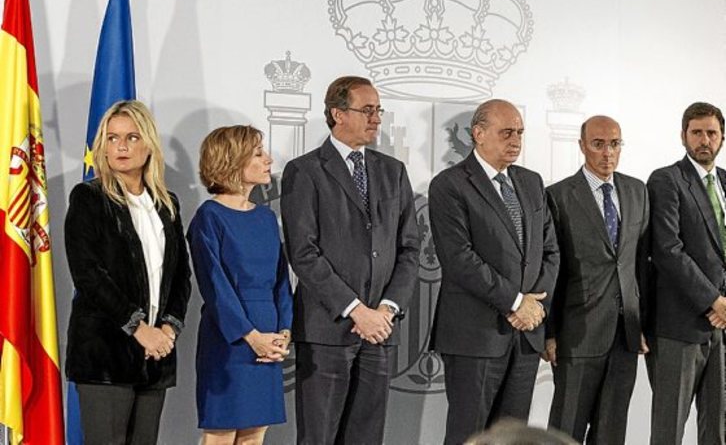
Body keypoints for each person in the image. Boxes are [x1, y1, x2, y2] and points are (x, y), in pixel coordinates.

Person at [280, 75, 420, 444]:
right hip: (327, 331)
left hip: (380, 331)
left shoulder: (393, 171)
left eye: (379, 110)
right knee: (319, 436)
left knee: (366, 437)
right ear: (337, 114)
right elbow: (303, 253)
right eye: (367, 110)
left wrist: (386, 310)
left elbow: (409, 248)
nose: (376, 119)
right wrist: (357, 310)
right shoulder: (305, 171)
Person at [428, 98, 560, 445]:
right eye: (506, 132)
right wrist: (516, 302)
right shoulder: (450, 185)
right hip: (475, 336)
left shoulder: (531, 182)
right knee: (470, 436)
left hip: (526, 336)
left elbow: (550, 251)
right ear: (479, 133)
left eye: (520, 132)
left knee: (515, 438)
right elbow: (459, 259)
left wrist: (534, 306)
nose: (516, 140)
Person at [65, 100, 192, 445]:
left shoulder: (167, 203)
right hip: (105, 356)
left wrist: (168, 329)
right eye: (113, 138)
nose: (121, 146)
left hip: (155, 356)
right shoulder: (89, 198)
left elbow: (180, 276)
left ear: (148, 144)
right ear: (103, 147)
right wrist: (139, 328)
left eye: (132, 137)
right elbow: (88, 274)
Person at [543, 116, 649, 444]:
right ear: (582, 146)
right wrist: (550, 332)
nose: (608, 153)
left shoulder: (637, 191)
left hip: (625, 337)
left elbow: (641, 265)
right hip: (577, 335)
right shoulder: (558, 196)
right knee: (565, 431)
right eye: (598, 144)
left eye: (615, 144)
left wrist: (642, 323)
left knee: (611, 434)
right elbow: (552, 269)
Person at [186, 125, 293, 445]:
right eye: (258, 153)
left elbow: (281, 279)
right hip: (229, 339)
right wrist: (252, 337)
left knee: (254, 434)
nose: (269, 159)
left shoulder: (266, 218)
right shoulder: (209, 217)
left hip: (269, 338)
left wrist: (284, 331)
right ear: (231, 161)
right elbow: (215, 287)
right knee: (222, 432)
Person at [647, 102, 726, 444]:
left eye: (711, 133)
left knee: (718, 430)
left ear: (722, 138)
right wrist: (713, 301)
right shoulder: (666, 180)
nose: (704, 140)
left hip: (722, 328)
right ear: (683, 136)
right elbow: (668, 250)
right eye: (696, 133)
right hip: (679, 326)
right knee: (669, 430)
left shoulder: (725, 181)